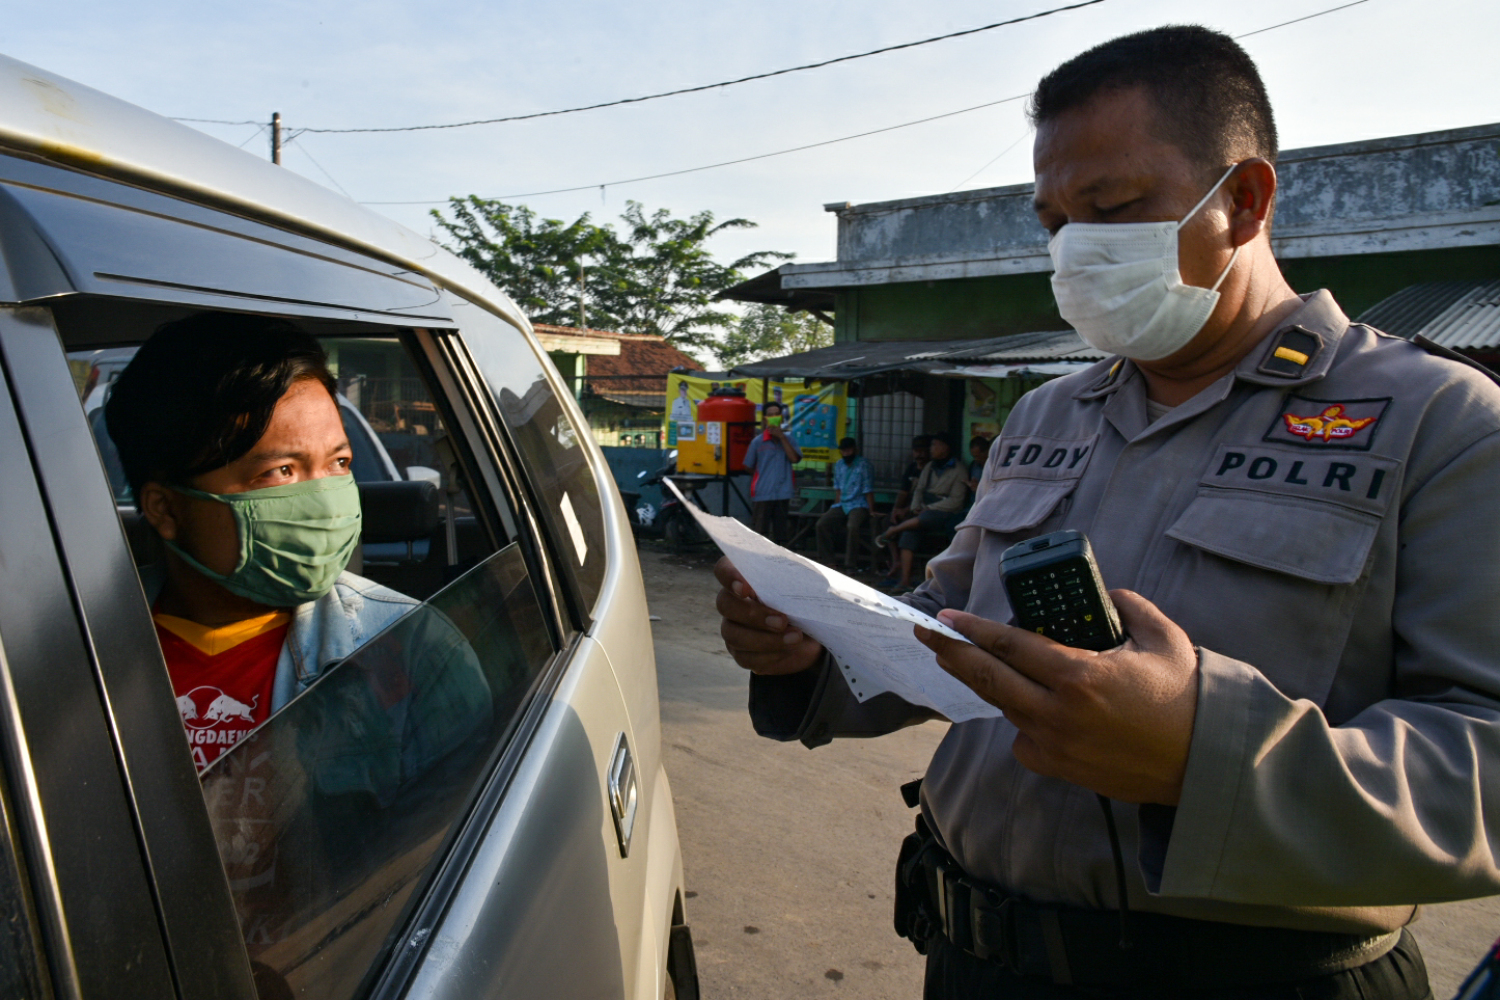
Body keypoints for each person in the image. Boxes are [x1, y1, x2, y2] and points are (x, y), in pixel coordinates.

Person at [712, 25, 1500, 999]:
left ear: (1245, 202)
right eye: (1055, 223)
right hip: (975, 958)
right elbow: (948, 626)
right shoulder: (1050, 413)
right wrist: (817, 646)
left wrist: (1202, 756)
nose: (1077, 250)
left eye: (1114, 207)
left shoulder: (1438, 421)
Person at [106, 312, 422, 771]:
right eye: (280, 472)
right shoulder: (62, 661)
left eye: (339, 463)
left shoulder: (409, 647)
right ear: (166, 508)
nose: (325, 501)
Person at [875, 432, 967, 593]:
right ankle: (905, 580)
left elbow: (956, 501)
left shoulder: (959, 469)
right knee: (909, 532)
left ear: (945, 448)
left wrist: (929, 508)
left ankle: (893, 531)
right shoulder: (930, 467)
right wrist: (915, 506)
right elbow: (919, 489)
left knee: (925, 517)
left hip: (943, 511)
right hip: (923, 508)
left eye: (934, 445)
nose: (931, 449)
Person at [742, 400, 801, 543]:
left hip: (783, 492)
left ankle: (779, 563)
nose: (774, 417)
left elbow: (794, 459)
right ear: (765, 419)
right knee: (760, 532)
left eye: (776, 414)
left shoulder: (790, 440)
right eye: (770, 415)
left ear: (781, 417)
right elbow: (747, 465)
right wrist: (762, 477)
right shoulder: (758, 442)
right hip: (763, 492)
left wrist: (781, 437)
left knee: (781, 533)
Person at [815, 437, 876, 570]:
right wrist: (834, 508)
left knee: (852, 526)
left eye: (849, 450)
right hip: (842, 504)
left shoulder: (864, 465)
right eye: (844, 451)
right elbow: (838, 490)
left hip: (859, 504)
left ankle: (850, 564)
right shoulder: (839, 465)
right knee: (821, 524)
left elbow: (868, 490)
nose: (846, 453)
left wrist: (871, 511)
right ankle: (828, 561)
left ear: (855, 450)